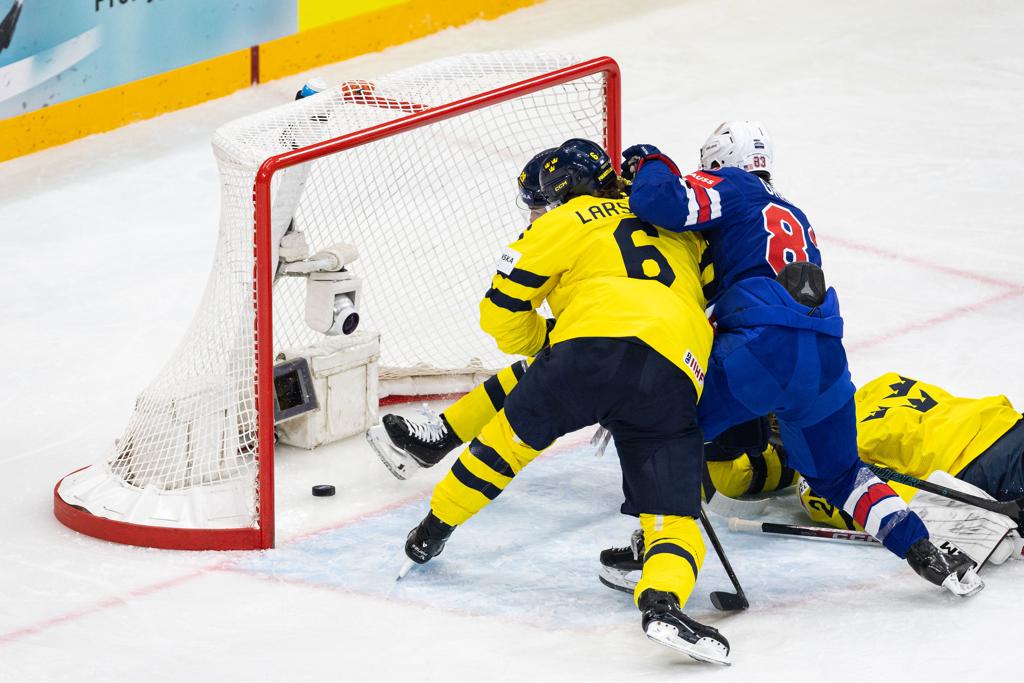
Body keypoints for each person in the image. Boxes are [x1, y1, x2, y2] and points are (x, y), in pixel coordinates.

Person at [398, 138, 731, 665]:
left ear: (561, 193)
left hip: (587, 355)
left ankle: (432, 530)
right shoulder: (677, 223)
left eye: (541, 199)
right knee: (673, 515)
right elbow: (715, 288)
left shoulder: (564, 221)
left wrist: (553, 340)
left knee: (502, 447)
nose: (537, 209)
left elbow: (500, 313)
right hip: (674, 369)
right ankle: (662, 604)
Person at [622, 121, 982, 597]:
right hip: (824, 359)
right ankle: (925, 551)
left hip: (761, 350)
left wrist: (650, 162)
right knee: (842, 475)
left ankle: (653, 550)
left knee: (663, 431)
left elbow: (660, 202)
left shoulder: (734, 186)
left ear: (719, 162)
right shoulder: (792, 212)